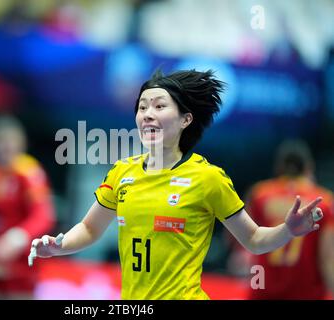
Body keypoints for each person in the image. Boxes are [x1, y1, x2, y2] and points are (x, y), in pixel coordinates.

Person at [29, 69, 325, 300]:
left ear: (185, 119)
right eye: (142, 107)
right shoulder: (121, 172)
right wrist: (58, 246)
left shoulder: (208, 178)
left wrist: (288, 230)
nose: (147, 114)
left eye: (159, 106)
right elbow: (91, 228)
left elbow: (254, 239)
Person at [228, 140, 334, 299]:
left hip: (262, 287)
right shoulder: (323, 201)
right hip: (307, 292)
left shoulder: (259, 194)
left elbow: (236, 238)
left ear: (279, 167)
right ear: (308, 168)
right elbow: (328, 257)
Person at [0, 115, 56, 299]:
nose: (5, 147)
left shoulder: (30, 173)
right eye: (0, 141)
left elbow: (45, 216)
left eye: (11, 141)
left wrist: (15, 239)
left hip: (21, 266)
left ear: (22, 144)